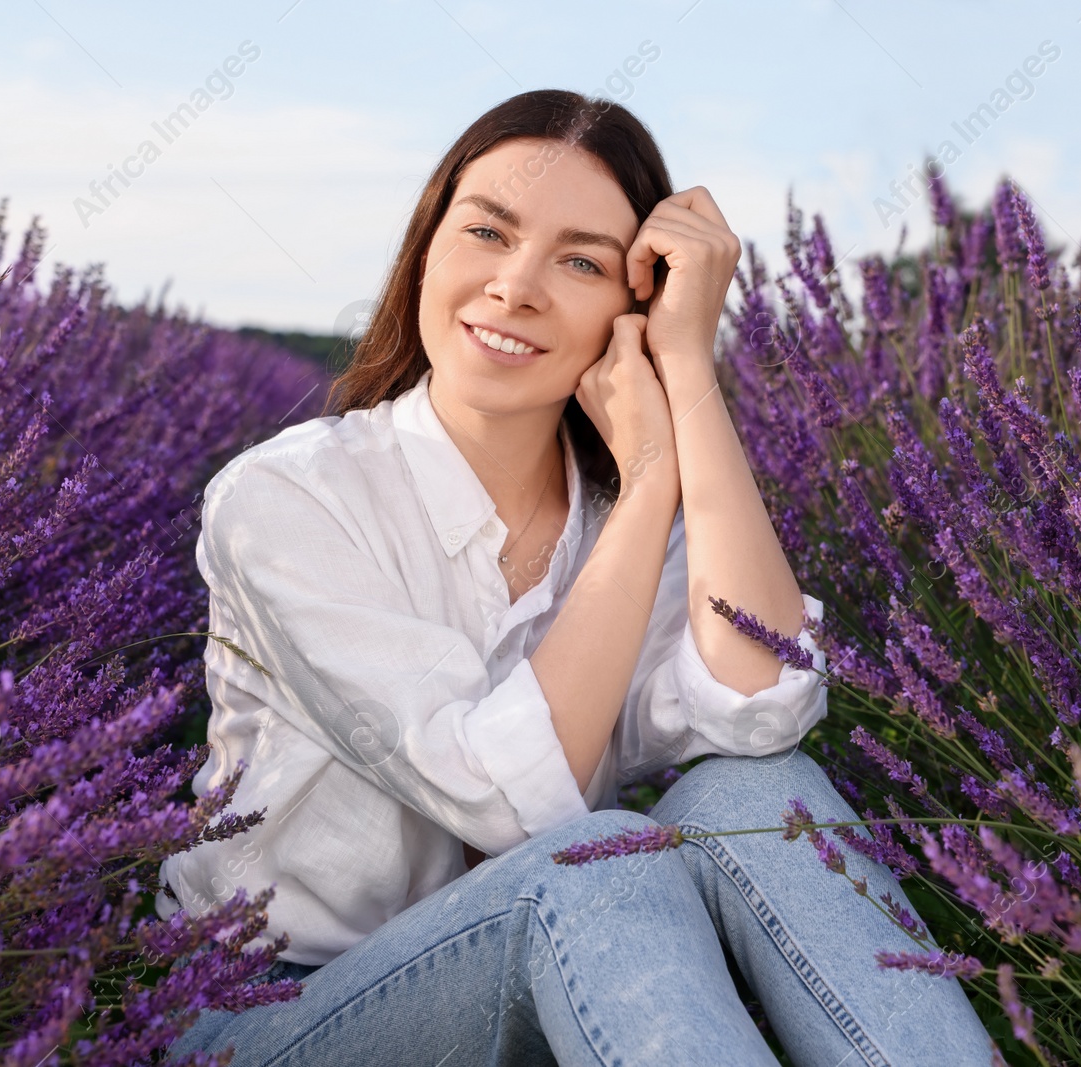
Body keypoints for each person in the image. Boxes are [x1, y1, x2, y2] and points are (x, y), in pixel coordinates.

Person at [161, 88, 996, 1066]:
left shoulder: (607, 522)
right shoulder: (288, 498)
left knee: (757, 794)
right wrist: (648, 485)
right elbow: (504, 806)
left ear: (631, 305)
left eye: (580, 261)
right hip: (269, 1014)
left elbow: (761, 705)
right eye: (485, 231)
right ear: (427, 246)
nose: (515, 287)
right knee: (596, 870)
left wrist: (688, 375)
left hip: (543, 978)